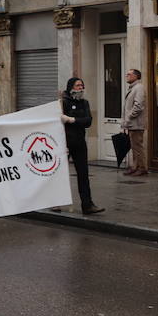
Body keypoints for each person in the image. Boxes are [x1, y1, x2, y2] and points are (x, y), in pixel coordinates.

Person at [62, 78, 105, 215]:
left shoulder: (84, 103)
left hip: (80, 142)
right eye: (77, 85)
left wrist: (72, 120)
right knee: (60, 174)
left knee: (83, 174)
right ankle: (56, 202)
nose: (80, 88)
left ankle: (87, 205)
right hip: (65, 143)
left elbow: (88, 121)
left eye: (82, 85)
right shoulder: (63, 102)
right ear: (71, 87)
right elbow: (58, 123)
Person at [122, 69, 147, 176]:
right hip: (132, 123)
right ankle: (135, 166)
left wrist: (128, 117)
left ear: (136, 76)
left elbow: (138, 106)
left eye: (129, 74)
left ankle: (142, 168)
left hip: (136, 123)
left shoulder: (139, 88)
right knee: (134, 147)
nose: (126, 76)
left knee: (137, 147)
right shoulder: (133, 88)